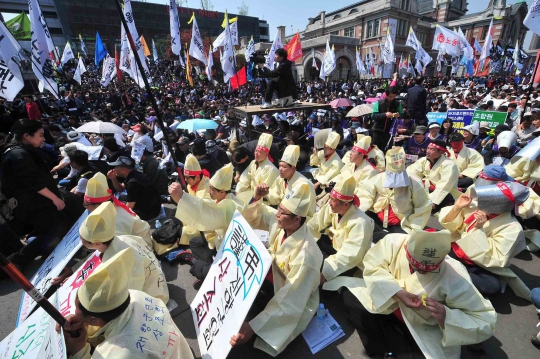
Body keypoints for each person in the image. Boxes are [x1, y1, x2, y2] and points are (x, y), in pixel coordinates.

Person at [330, 230, 496, 358]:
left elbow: (484, 320)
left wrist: (446, 316)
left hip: (423, 323)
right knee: (351, 297)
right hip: (389, 301)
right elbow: (372, 264)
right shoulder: (395, 242)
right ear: (407, 250)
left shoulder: (456, 276)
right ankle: (381, 350)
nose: (421, 273)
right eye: (416, 268)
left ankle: (395, 344)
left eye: (427, 270)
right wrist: (397, 291)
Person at [231, 184, 323, 356]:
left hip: (292, 293)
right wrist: (257, 198)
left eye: (282, 212)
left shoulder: (306, 255)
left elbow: (291, 298)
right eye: (278, 209)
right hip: (271, 276)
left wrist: (253, 327)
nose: (277, 215)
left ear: (297, 219)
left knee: (253, 343)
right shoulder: (284, 223)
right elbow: (261, 214)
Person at [58, 249, 192, 359]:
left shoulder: (114, 353)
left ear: (94, 319)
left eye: (76, 308)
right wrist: (85, 321)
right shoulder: (135, 295)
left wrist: (79, 351)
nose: (74, 311)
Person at [439, 182, 530, 299]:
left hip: (478, 263)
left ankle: (447, 271)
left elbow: (495, 258)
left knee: (492, 286)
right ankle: (451, 273)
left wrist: (478, 230)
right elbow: (452, 228)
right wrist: (457, 207)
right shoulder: (476, 205)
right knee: (430, 247)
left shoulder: (513, 228)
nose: (487, 199)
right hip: (455, 249)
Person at [0, 120, 67, 274]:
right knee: (55, 226)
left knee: (47, 227)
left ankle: (39, 250)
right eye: (40, 135)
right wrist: (55, 198)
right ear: (27, 136)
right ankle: (17, 262)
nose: (43, 139)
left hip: (33, 201)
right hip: (32, 203)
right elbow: (33, 182)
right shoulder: (18, 154)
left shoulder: (20, 151)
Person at [77, 202, 169, 303]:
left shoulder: (118, 260)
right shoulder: (122, 238)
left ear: (97, 244)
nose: (80, 241)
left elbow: (132, 293)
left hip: (154, 298)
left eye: (83, 240)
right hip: (157, 281)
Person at [169, 164, 244, 287]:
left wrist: (181, 197)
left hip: (229, 256)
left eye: (212, 190)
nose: (209, 192)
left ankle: (200, 266)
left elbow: (205, 210)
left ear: (222, 191)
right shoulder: (223, 199)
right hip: (216, 243)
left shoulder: (230, 207)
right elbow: (206, 207)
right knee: (194, 242)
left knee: (198, 270)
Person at [307, 176, 374, 285]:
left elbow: (349, 255)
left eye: (333, 200)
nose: (329, 202)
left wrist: (326, 273)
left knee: (318, 272)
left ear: (346, 204)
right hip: (334, 245)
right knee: (309, 247)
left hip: (350, 262)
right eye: (330, 198)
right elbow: (315, 223)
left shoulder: (361, 222)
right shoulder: (333, 207)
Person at [358, 147, 431, 242]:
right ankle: (384, 236)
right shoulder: (379, 178)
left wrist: (413, 226)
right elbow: (365, 195)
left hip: (401, 223)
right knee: (362, 227)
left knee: (401, 241)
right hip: (377, 218)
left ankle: (387, 237)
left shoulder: (414, 182)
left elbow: (422, 206)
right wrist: (360, 210)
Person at [259, 145, 316, 217]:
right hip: (283, 213)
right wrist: (266, 194)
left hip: (298, 219)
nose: (280, 169)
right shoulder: (281, 178)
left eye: (284, 166)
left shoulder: (303, 184)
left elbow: (299, 211)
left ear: (293, 168)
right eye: (280, 165)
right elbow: (277, 196)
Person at [407, 139, 459, 213]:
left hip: (444, 192)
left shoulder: (449, 165)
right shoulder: (424, 160)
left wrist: (434, 201)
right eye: (428, 148)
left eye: (432, 149)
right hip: (426, 188)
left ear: (441, 152)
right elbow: (411, 172)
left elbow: (445, 185)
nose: (428, 151)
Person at [107, 156, 161, 220]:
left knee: (118, 215)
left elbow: (128, 208)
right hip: (151, 205)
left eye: (116, 167)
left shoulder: (133, 183)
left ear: (123, 170)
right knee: (121, 199)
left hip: (149, 212)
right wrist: (114, 179)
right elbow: (120, 188)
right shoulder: (133, 174)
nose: (114, 169)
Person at [236, 133, 279, 199]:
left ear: (266, 153)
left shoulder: (271, 169)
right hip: (250, 195)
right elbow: (244, 179)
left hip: (262, 200)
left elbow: (266, 192)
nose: (256, 154)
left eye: (260, 152)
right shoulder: (253, 163)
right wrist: (239, 190)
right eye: (256, 151)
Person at [371, 86, 403, 151]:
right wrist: (384, 115)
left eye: (393, 96)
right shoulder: (379, 103)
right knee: (375, 149)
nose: (391, 98)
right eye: (390, 96)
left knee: (387, 150)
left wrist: (398, 115)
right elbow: (373, 116)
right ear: (386, 94)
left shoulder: (397, 104)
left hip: (389, 131)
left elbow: (402, 114)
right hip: (378, 130)